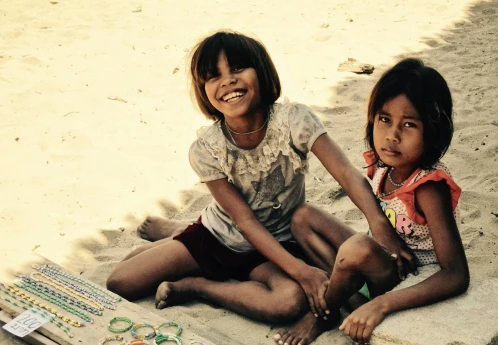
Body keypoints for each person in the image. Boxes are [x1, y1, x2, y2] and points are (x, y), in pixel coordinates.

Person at [106, 31, 414, 323]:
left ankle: (196, 286)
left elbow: (346, 173)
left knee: (289, 303)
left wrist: (379, 226)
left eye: (238, 68)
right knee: (121, 282)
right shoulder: (206, 149)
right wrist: (303, 272)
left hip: (278, 243)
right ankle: (182, 233)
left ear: (262, 72)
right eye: (214, 76)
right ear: (204, 91)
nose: (228, 81)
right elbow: (245, 222)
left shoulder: (295, 121)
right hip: (218, 237)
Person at [273, 58, 469, 345]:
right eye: (385, 119)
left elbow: (456, 274)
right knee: (303, 217)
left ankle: (324, 313)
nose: (392, 135)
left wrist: (383, 305)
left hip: (404, 280)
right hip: (374, 262)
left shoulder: (428, 188)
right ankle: (347, 297)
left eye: (409, 125)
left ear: (433, 132)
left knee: (357, 248)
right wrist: (381, 233)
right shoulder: (383, 168)